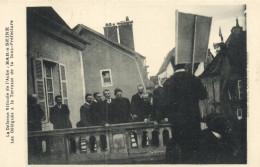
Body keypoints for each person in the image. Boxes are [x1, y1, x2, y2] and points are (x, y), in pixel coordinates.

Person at [163, 64, 207, 163]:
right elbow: (203, 95)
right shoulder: (193, 79)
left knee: (180, 148)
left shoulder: (168, 82)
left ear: (174, 67)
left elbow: (165, 104)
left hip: (177, 122)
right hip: (193, 120)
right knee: (193, 148)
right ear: (185, 66)